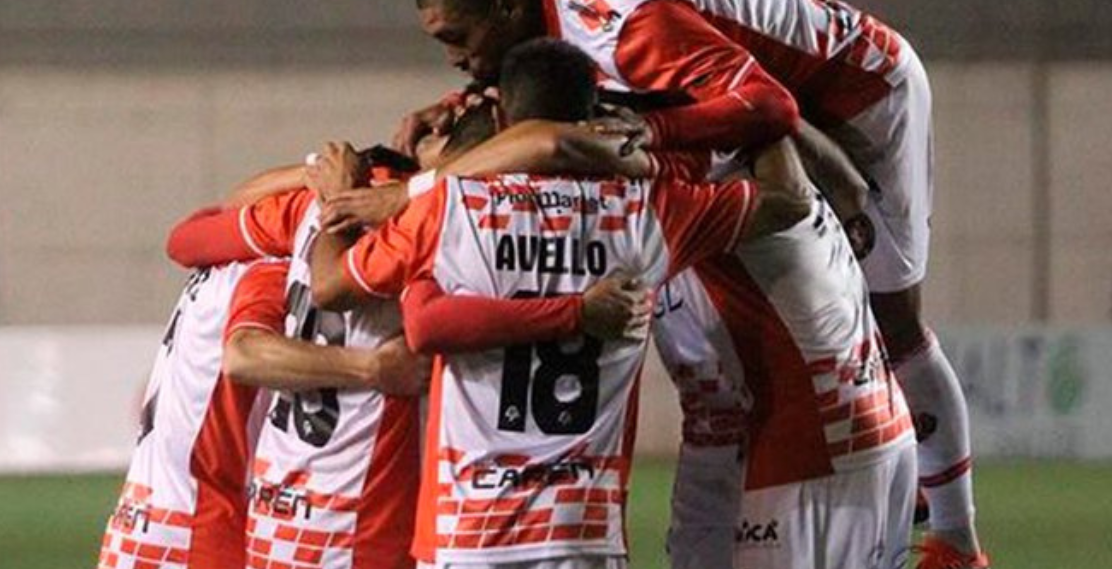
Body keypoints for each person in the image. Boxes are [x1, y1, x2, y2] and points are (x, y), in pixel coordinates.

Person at [409, 0, 986, 566]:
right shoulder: (545, 1)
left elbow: (772, 108)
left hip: (862, 89)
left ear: (504, 6)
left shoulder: (630, 36)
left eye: (459, 38)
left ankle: (957, 539)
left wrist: (652, 133)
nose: (454, 59)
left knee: (894, 320)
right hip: (768, 111)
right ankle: (891, 484)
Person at [306, 38, 810, 569]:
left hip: (469, 532)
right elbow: (789, 200)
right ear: (595, 111)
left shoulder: (448, 210)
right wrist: (750, 113)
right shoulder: (647, 209)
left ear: (501, 116)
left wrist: (334, 200)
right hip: (581, 534)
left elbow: (331, 286)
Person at [164, 115, 648, 569]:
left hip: (279, 519)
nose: (424, 128)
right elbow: (424, 319)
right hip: (361, 520)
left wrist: (321, 175)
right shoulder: (437, 221)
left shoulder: (304, 210)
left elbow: (191, 236)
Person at [96, 260, 286, 569]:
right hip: (193, 527)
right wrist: (365, 368)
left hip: (141, 517)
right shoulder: (266, 272)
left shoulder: (218, 263)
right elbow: (246, 356)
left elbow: (187, 237)